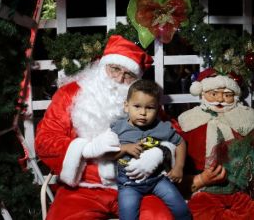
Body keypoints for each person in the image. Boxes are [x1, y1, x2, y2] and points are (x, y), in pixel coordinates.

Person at [35, 35, 174, 219]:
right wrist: (86, 149)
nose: (119, 78)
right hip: (83, 188)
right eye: (115, 69)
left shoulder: (140, 99)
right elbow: (45, 140)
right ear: (102, 66)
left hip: (139, 186)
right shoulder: (70, 94)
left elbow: (173, 132)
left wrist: (160, 153)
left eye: (128, 75)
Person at [177, 68, 254, 220]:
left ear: (235, 96)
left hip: (243, 189)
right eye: (214, 94)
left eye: (227, 95)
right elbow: (173, 156)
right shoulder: (188, 121)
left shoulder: (248, 117)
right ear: (203, 93)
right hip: (203, 191)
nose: (221, 99)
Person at [110, 79, 191, 220]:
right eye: (137, 106)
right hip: (129, 184)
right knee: (127, 215)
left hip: (157, 179)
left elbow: (180, 143)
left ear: (158, 109)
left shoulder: (162, 127)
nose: (143, 113)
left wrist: (179, 167)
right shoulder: (118, 127)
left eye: (150, 108)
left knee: (181, 210)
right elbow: (107, 153)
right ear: (126, 106)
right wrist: (124, 148)